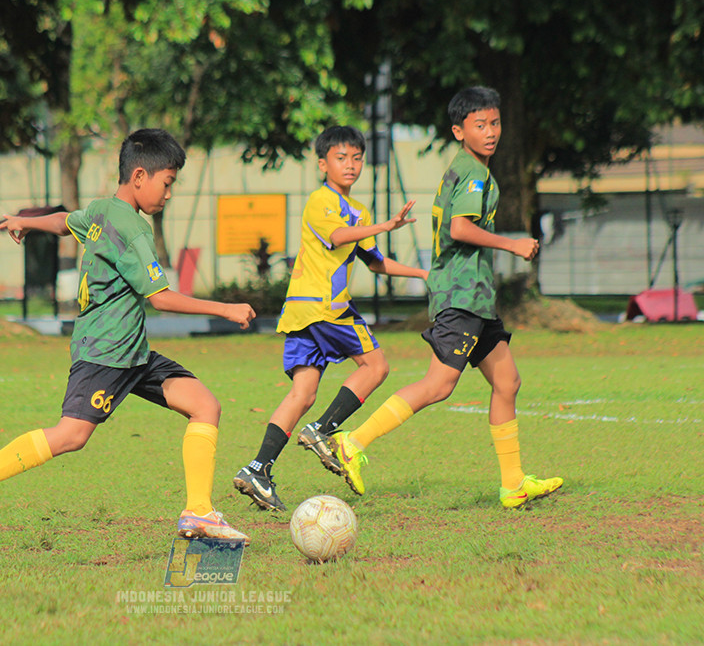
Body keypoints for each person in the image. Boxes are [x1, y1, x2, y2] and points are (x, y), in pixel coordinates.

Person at [0, 128, 256, 543]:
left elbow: (67, 223)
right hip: (106, 352)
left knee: (205, 406)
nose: (168, 194)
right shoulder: (134, 231)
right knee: (71, 435)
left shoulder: (102, 210)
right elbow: (160, 298)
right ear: (139, 176)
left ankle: (198, 512)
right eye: (167, 183)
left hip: (132, 353)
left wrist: (25, 223)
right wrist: (225, 308)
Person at [328, 87, 563, 508]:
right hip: (460, 295)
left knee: (507, 381)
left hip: (475, 296)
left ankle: (513, 483)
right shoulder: (473, 173)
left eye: (494, 123)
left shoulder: (470, 169)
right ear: (459, 131)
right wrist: (512, 245)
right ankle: (353, 441)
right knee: (439, 385)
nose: (490, 132)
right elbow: (460, 229)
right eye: (479, 125)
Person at [232, 125, 428, 512]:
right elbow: (339, 236)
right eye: (341, 158)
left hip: (303, 311)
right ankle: (323, 430)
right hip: (325, 307)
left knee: (302, 393)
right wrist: (386, 226)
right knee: (376, 366)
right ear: (323, 164)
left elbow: (375, 262)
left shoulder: (360, 211)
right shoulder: (321, 200)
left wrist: (424, 275)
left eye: (357, 157)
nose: (351, 165)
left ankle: (258, 469)